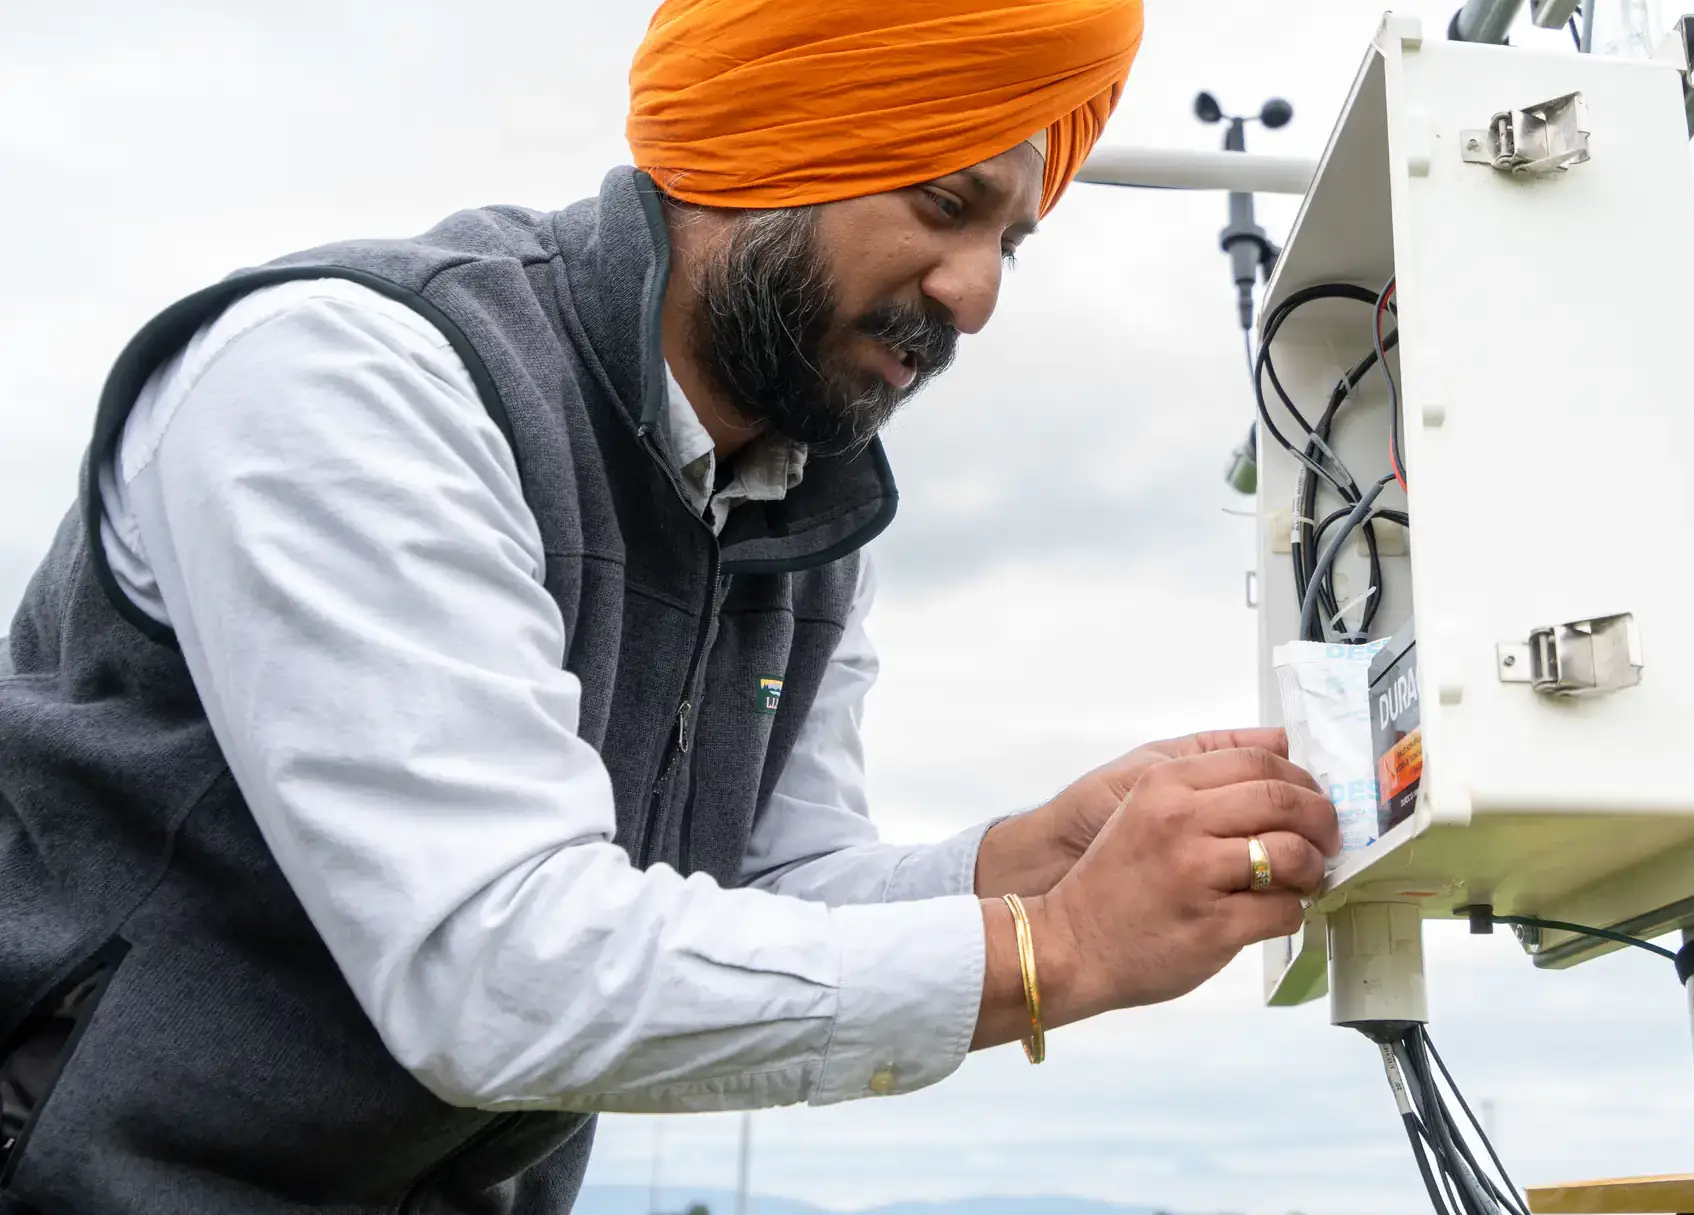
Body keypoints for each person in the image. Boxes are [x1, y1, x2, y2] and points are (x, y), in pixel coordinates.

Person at [0, 1, 1344, 1212]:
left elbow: (769, 889)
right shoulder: (351, 381)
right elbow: (501, 967)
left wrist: (1019, 861)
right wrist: (1055, 948)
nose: (978, 296)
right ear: (777, 139)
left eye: (1013, 241)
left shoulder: (808, 509)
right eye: (945, 204)